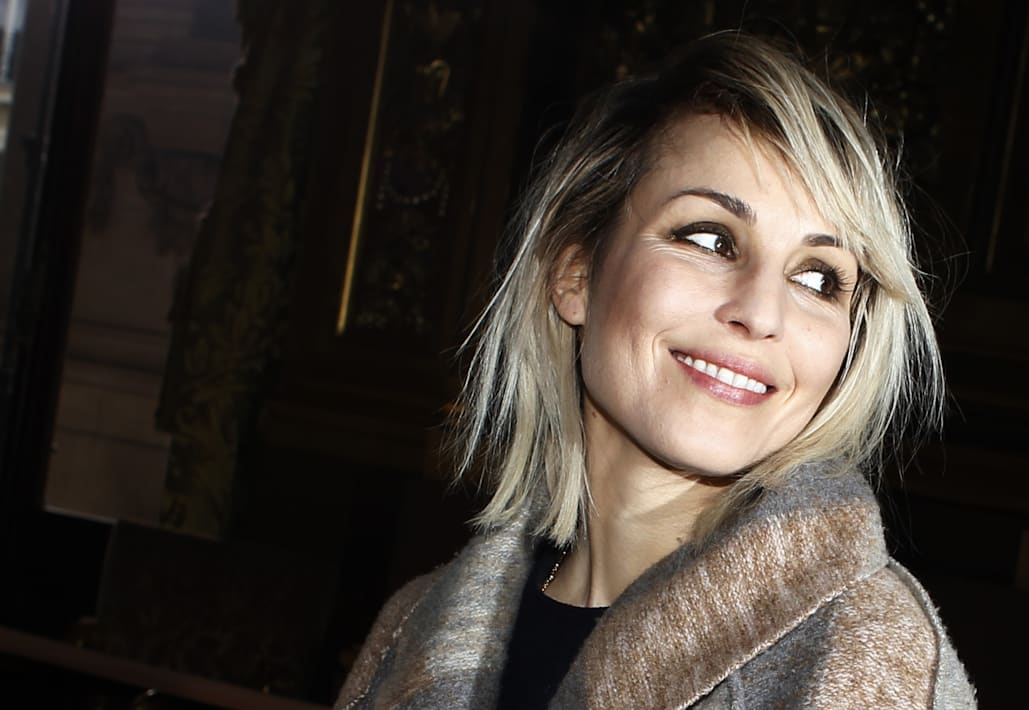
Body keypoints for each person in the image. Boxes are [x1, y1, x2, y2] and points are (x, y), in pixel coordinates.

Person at [336, 32, 975, 709]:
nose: (762, 313)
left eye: (818, 278)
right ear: (576, 273)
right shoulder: (411, 628)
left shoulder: (867, 652)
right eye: (710, 239)